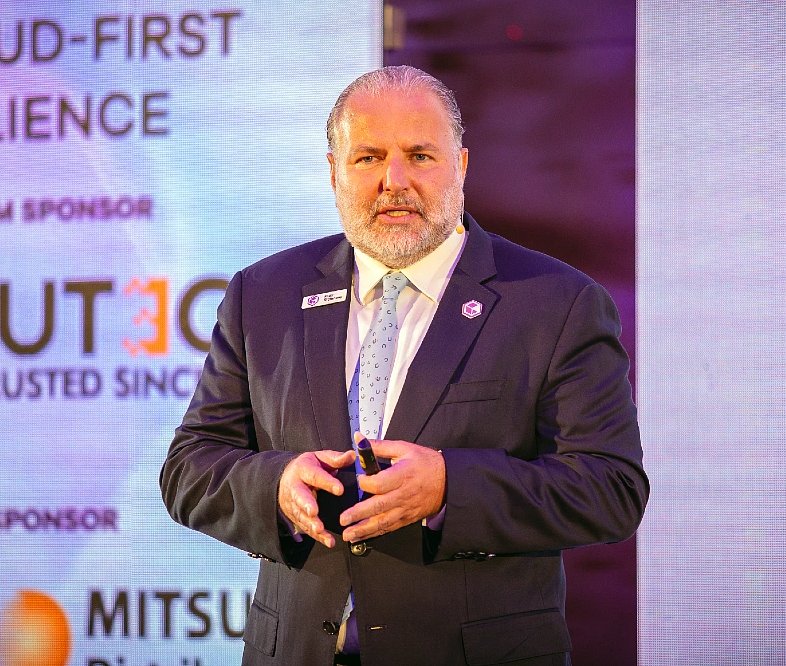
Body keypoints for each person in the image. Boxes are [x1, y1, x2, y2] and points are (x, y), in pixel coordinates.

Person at [160, 65, 648, 666]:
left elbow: (611, 489)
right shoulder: (262, 295)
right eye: (368, 158)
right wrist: (278, 488)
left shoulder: (556, 302)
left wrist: (451, 487)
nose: (395, 180)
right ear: (334, 172)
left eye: (420, 156)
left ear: (462, 167)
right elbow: (189, 468)